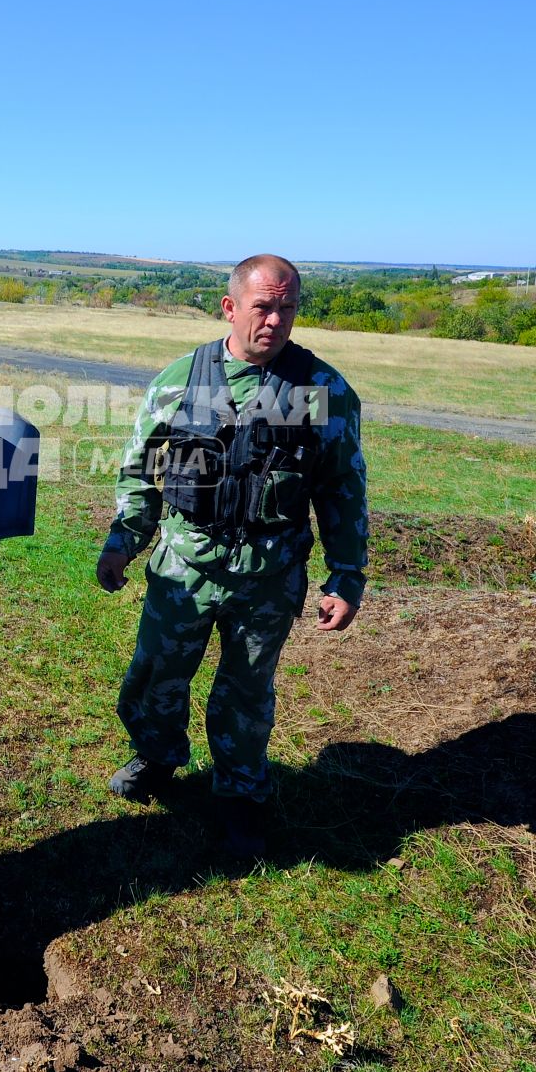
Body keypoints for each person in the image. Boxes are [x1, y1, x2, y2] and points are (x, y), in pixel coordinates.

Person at [95, 253, 368, 853]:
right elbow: (140, 471)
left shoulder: (321, 390)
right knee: (156, 676)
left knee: (246, 689)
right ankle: (158, 758)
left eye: (287, 307)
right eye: (262, 306)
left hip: (268, 574)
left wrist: (346, 575)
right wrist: (123, 542)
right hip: (185, 566)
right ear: (231, 307)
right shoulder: (181, 381)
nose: (274, 319)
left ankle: (241, 791)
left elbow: (342, 488)